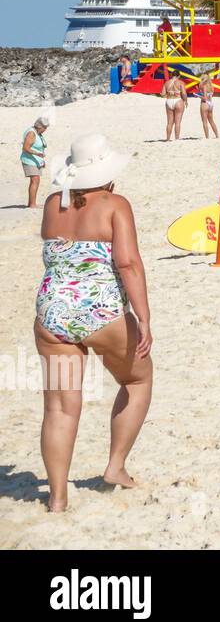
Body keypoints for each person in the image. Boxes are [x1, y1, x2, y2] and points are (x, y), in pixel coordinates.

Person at [38, 134, 152, 512]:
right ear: (108, 174)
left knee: (59, 408)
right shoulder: (115, 204)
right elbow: (128, 264)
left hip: (52, 311)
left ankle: (57, 498)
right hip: (101, 311)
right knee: (137, 380)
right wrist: (144, 317)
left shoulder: (54, 203)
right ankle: (115, 466)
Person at [20, 114, 51, 208]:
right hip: (29, 160)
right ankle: (32, 204)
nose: (45, 130)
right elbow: (25, 148)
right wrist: (38, 154)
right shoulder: (32, 133)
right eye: (44, 128)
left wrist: (41, 160)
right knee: (35, 180)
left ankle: (32, 203)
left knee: (36, 181)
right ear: (39, 126)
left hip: (35, 160)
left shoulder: (37, 133)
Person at [161, 68, 186, 141]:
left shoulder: (167, 83)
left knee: (169, 122)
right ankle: (177, 139)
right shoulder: (180, 82)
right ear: (178, 76)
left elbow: (162, 94)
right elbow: (184, 93)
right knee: (177, 122)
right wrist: (185, 100)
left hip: (169, 101)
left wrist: (169, 94)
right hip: (178, 100)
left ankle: (168, 138)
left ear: (172, 75)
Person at [197, 72, 219, 139]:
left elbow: (205, 98)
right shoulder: (211, 86)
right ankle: (217, 135)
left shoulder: (204, 86)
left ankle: (207, 137)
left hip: (205, 103)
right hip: (210, 103)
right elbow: (209, 96)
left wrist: (198, 96)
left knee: (204, 121)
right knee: (211, 121)